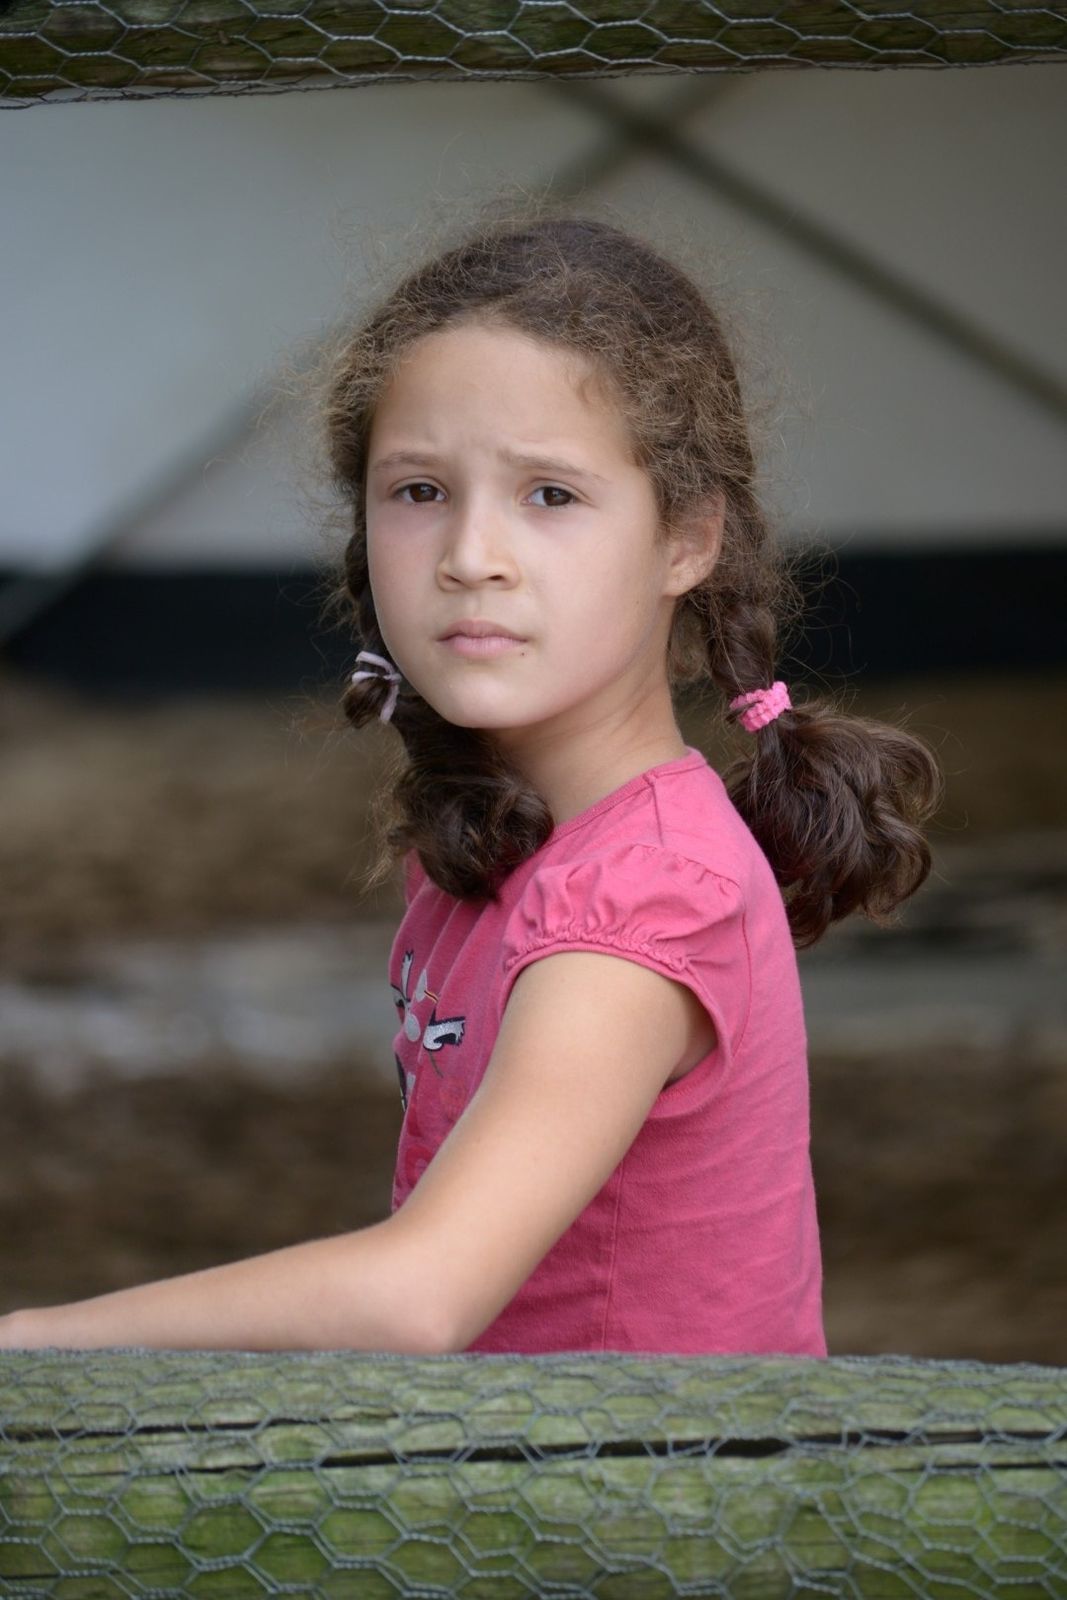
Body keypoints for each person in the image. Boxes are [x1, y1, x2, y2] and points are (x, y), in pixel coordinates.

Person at [0, 203, 942, 1356]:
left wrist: (28, 1341)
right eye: (418, 491)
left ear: (686, 541)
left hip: (649, 1479)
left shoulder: (641, 895)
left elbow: (417, 1296)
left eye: (549, 494)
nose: (468, 556)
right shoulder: (501, 839)